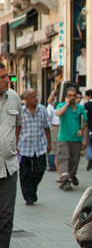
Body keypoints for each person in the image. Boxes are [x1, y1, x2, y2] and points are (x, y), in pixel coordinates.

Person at [0, 63, 23, 247]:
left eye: (7, 76)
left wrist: (11, 146)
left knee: (6, 217)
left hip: (8, 167)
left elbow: (18, 124)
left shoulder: (14, 97)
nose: (8, 80)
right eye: (2, 77)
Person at [18, 89, 51, 205]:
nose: (36, 98)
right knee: (24, 173)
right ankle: (29, 197)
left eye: (36, 96)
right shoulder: (21, 111)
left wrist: (49, 143)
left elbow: (47, 128)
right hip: (24, 147)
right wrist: (16, 144)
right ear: (26, 99)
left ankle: (31, 188)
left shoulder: (42, 110)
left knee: (39, 170)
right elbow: (17, 129)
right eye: (33, 96)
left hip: (40, 146)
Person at [55, 87, 88, 191]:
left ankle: (72, 176)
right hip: (63, 138)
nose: (72, 98)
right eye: (70, 96)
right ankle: (65, 181)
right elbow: (58, 113)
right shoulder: (62, 106)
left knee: (74, 160)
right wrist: (66, 104)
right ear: (66, 96)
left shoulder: (80, 108)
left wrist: (82, 131)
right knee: (64, 158)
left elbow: (84, 122)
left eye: (74, 96)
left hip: (76, 139)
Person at [47, 82, 61, 181]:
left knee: (59, 148)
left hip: (62, 128)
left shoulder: (63, 104)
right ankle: (52, 165)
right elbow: (49, 101)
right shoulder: (53, 105)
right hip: (54, 127)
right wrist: (55, 90)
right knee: (53, 146)